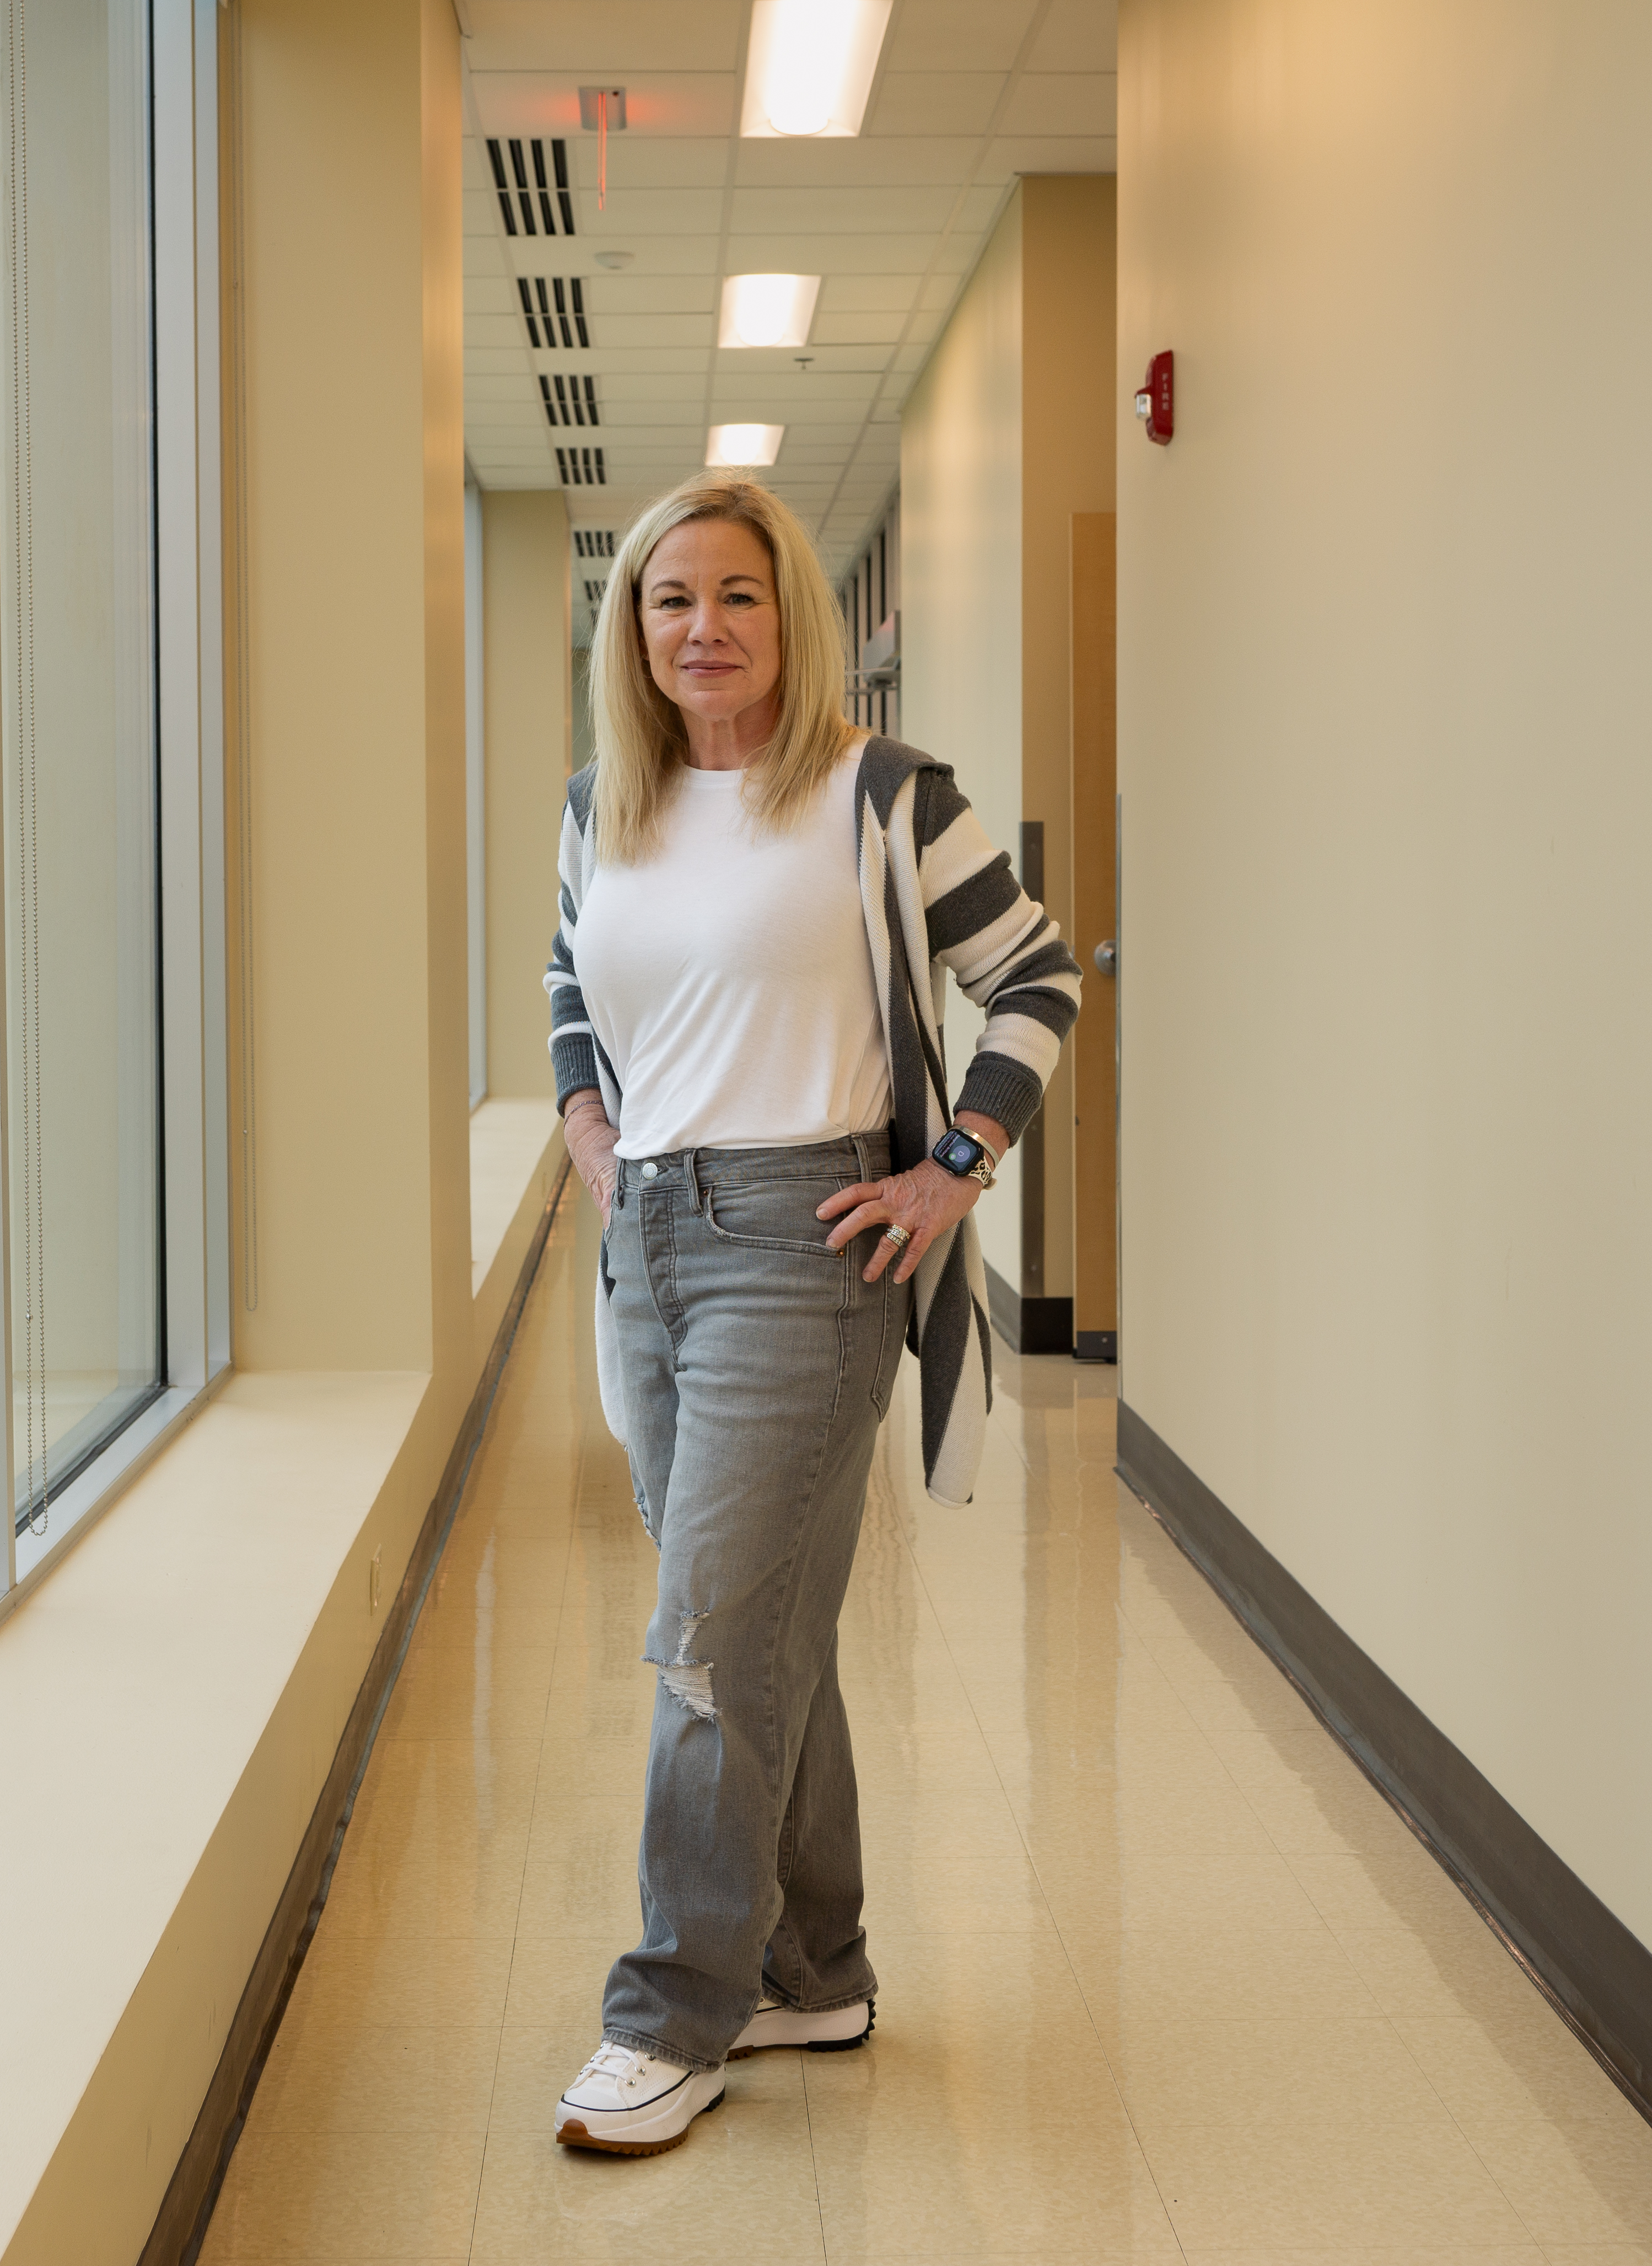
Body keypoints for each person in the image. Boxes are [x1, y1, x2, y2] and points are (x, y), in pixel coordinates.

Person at [542, 471, 1080, 2155]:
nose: (700, 629)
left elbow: (1037, 975)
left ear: (793, 617)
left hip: (806, 1236)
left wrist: (954, 1166)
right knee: (756, 1627)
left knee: (709, 1636)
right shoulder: (598, 804)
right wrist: (581, 1118)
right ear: (630, 631)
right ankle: (810, 1966)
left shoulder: (879, 794)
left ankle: (672, 2014)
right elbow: (573, 982)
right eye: (666, 600)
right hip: (651, 1241)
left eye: (736, 597)